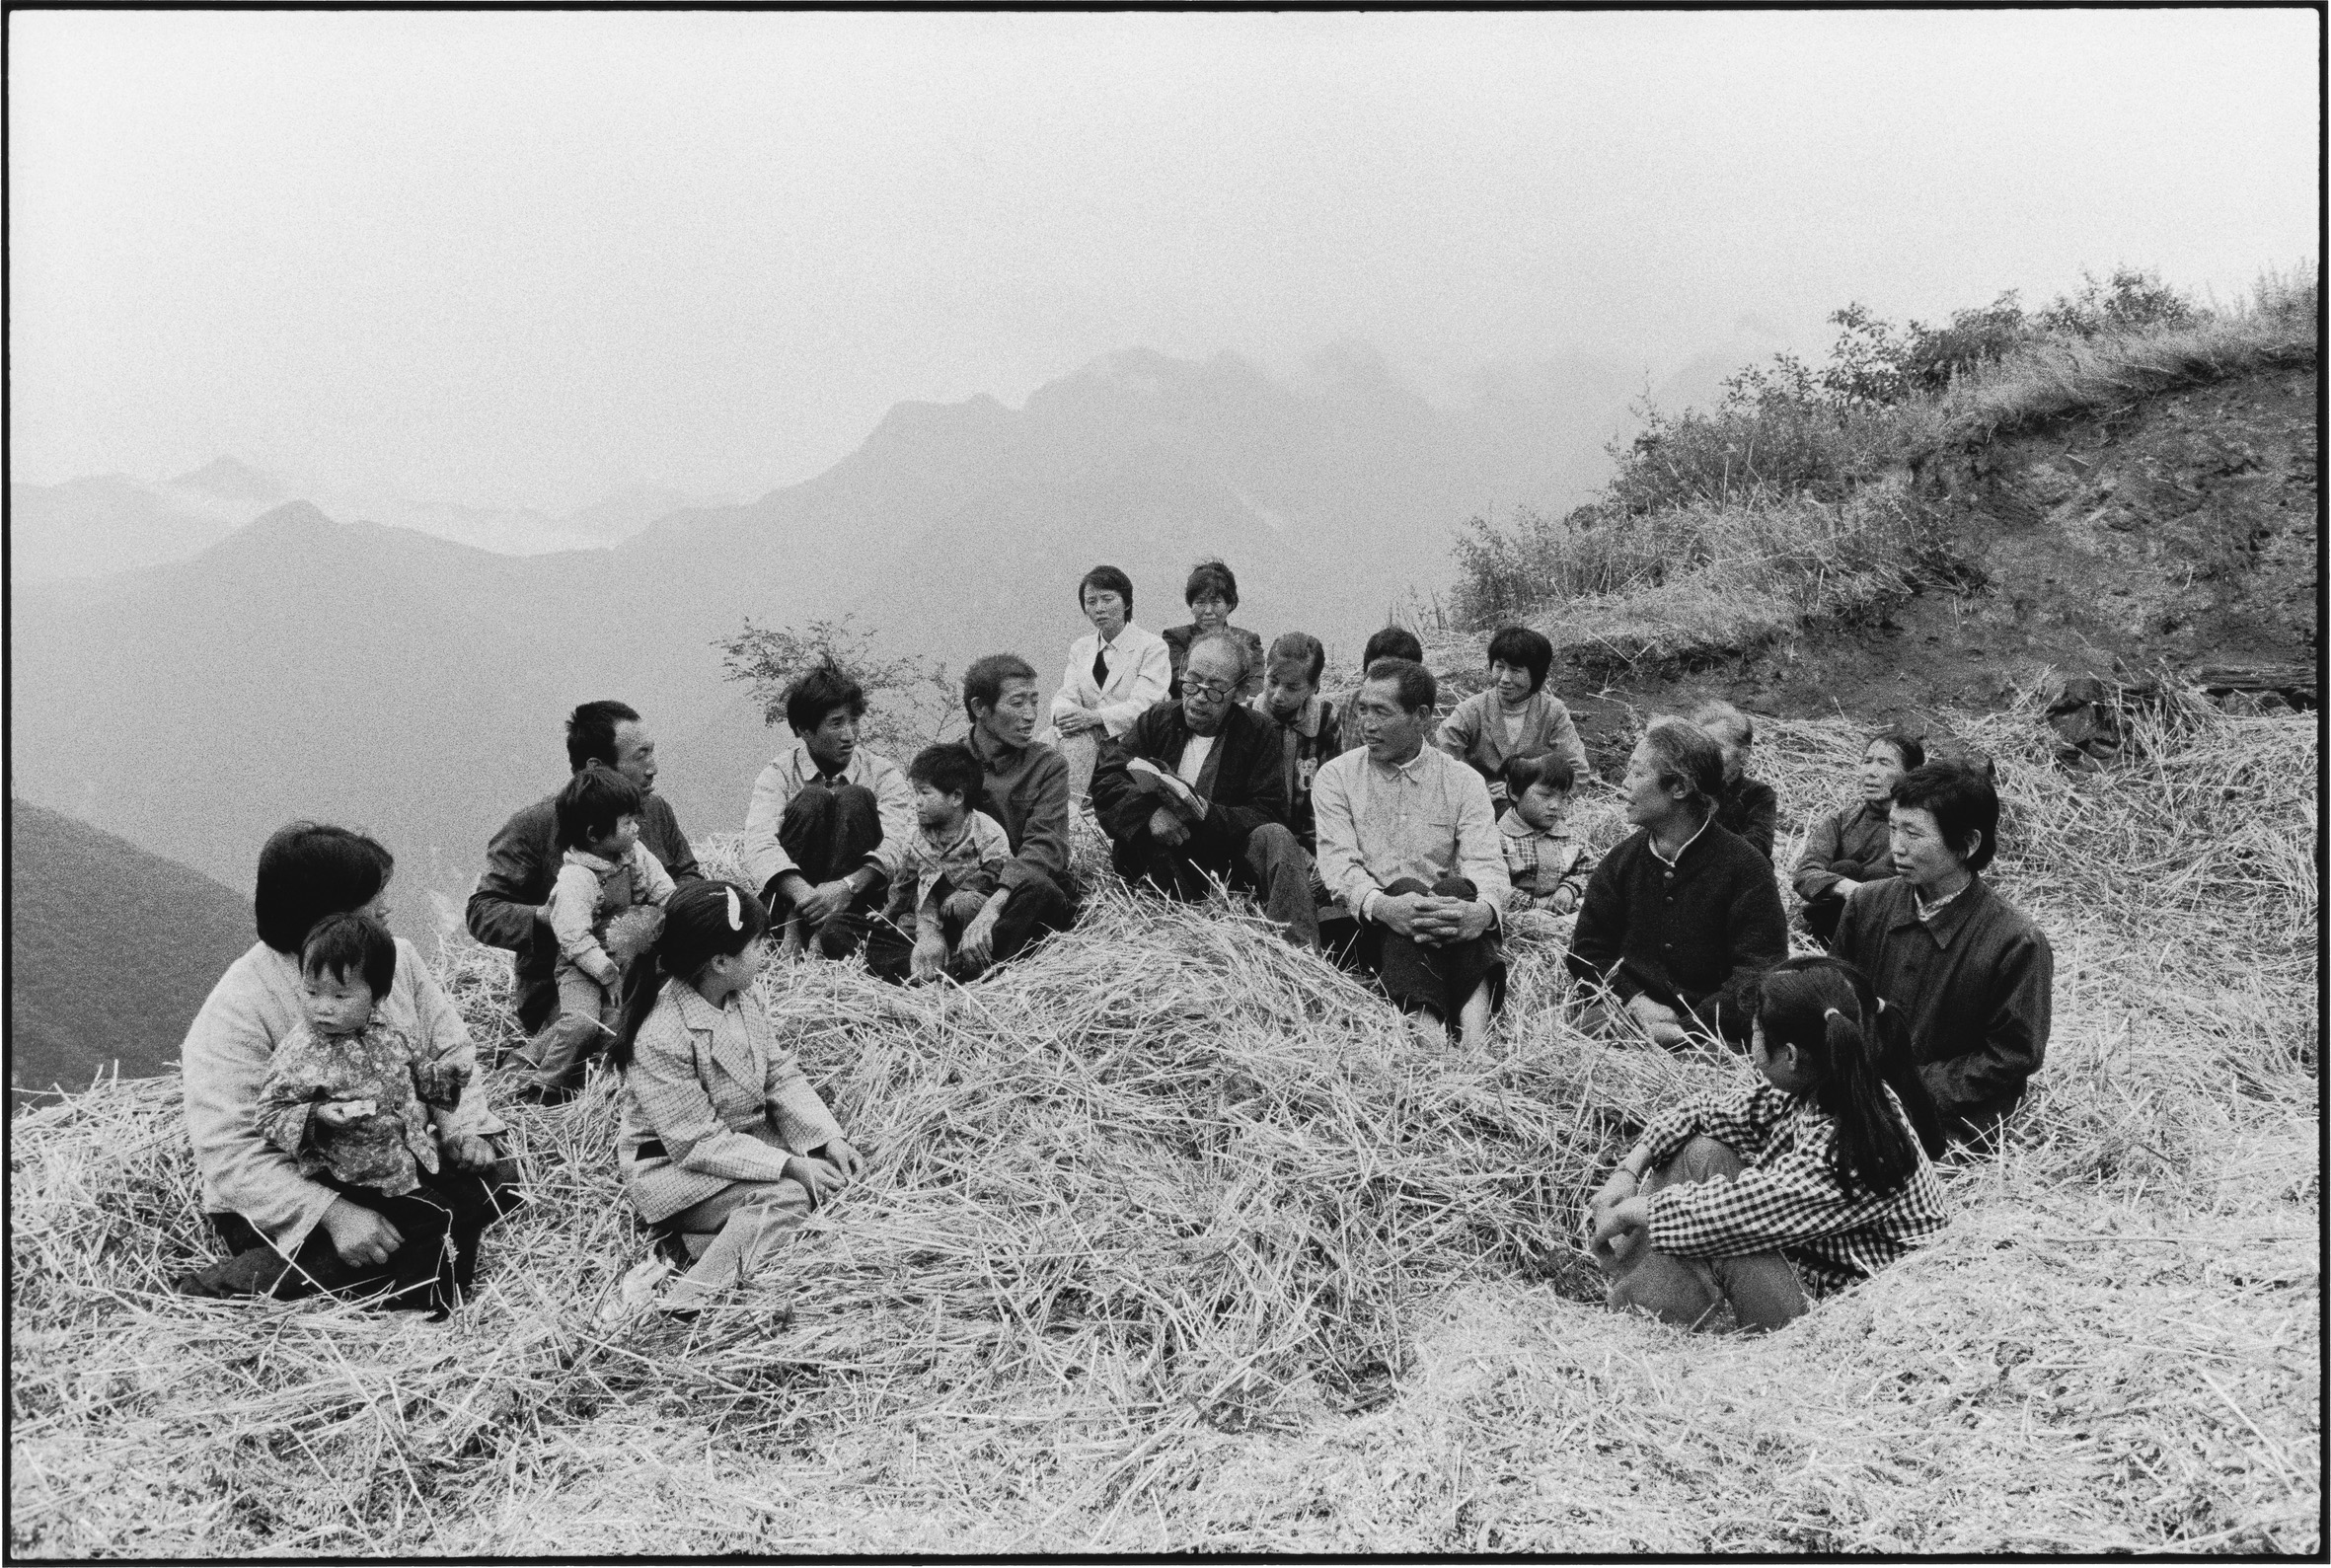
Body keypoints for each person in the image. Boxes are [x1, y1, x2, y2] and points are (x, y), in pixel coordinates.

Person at [182, 823, 518, 1307]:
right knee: (392, 1244)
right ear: (324, 912)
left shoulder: (396, 958)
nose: (386, 906)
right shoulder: (238, 1007)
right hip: (299, 1187)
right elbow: (229, 1149)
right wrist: (334, 1214)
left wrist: (462, 1128)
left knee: (500, 1185)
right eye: (371, 897)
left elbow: (447, 1054)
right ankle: (224, 1288)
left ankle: (389, 1256)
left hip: (393, 1159)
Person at [1585, 956, 1949, 1331]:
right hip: (1814, 1264)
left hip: (1847, 1316)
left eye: (1756, 1034)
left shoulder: (1858, 1148)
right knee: (1701, 1151)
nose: (1751, 1048)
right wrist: (1628, 1170)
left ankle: (1637, 1323)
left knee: (1716, 1235)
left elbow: (1725, 1216)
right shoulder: (1824, 1087)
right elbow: (1704, 1110)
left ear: (1790, 1055)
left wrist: (1628, 1212)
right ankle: (1632, 1298)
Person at [607, 881, 865, 1317]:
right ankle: (689, 1300)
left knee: (832, 1172)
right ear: (721, 961)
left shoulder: (743, 995)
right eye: (758, 944)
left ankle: (703, 1242)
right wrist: (790, 1165)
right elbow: (696, 1143)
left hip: (738, 1136)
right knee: (789, 1198)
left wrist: (826, 1139)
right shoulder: (661, 1034)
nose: (767, 951)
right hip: (674, 1166)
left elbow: (779, 1073)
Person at [254, 912, 502, 1314]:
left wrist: (448, 1079)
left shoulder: (387, 1029)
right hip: (357, 1172)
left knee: (473, 1200)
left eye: (339, 996)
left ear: (377, 996)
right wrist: (318, 1115)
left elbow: (418, 1074)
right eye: (312, 992)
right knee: (438, 1218)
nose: (322, 1008)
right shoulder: (300, 1052)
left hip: (407, 1153)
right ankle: (417, 1306)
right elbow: (269, 1115)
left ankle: (455, 1290)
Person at [468, 701, 701, 1092]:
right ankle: (528, 1075)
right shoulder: (532, 826)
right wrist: (552, 917)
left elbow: (686, 875)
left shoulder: (655, 811)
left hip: (642, 966)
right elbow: (482, 911)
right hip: (567, 982)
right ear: (595, 766)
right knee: (621, 1034)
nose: (654, 766)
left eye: (653, 751)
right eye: (641, 755)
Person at [1832, 761, 2054, 1145]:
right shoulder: (1866, 904)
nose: (1896, 847)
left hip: (1952, 1119)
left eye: (1914, 834)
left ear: (1968, 844)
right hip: (1858, 1097)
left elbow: (2012, 1056)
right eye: (1893, 828)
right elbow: (1832, 997)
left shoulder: (2017, 942)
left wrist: (1911, 1086)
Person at [1314, 657, 1511, 1043]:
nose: (1367, 724)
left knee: (1460, 893)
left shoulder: (1462, 781)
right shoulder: (1336, 777)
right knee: (1404, 887)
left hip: (1446, 927)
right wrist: (1385, 906)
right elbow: (1340, 868)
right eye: (1363, 710)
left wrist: (1482, 913)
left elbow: (1486, 862)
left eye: (1381, 713)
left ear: (1420, 717)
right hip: (1367, 927)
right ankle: (1429, 1035)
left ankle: (1475, 1042)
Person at [1565, 718, 1788, 1048]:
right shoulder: (1621, 862)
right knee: (1584, 1030)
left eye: (1638, 773)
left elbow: (1758, 973)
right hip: (1628, 1020)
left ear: (1680, 788)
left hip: (1715, 1035)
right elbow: (1588, 950)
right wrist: (1634, 999)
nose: (1624, 784)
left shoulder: (1746, 868)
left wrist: (1687, 1028)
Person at [1090, 632, 1318, 946]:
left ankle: (1299, 955)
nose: (1198, 697)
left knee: (1277, 837)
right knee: (1146, 843)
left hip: (1224, 859)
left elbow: (1268, 810)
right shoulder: (1158, 719)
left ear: (1238, 692)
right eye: (1192, 683)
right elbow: (1107, 778)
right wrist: (1149, 815)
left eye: (1215, 690)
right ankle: (1189, 939)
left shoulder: (1258, 732)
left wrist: (1206, 814)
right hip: (1160, 857)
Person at [868, 654, 1080, 978]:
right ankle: (946, 967)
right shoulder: (945, 762)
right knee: (844, 928)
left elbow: (1046, 848)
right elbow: (925, 850)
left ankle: (950, 974)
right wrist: (929, 928)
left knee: (1045, 893)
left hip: (1012, 898)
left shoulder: (1047, 765)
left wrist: (993, 907)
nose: (1030, 715)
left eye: (1034, 702)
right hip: (949, 897)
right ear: (980, 708)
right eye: (1018, 702)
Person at [739, 663, 917, 960]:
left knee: (855, 798)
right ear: (805, 731)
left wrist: (847, 887)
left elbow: (899, 841)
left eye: (854, 721)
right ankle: (794, 928)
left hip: (858, 904)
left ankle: (829, 934)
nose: (849, 734)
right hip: (796, 904)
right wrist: (804, 895)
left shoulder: (882, 773)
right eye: (836, 723)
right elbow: (759, 843)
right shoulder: (778, 774)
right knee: (812, 799)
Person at [527, 764, 679, 1100]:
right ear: (595, 834)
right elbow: (572, 938)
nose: (637, 828)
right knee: (582, 1023)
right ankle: (544, 1083)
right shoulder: (576, 879)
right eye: (628, 822)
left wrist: (682, 914)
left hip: (622, 953)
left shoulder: (632, 854)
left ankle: (603, 1076)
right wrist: (606, 973)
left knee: (621, 1019)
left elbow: (663, 890)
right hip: (582, 963)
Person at [878, 743, 1015, 983]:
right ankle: (929, 966)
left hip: (971, 910)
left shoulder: (985, 830)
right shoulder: (918, 836)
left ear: (956, 797)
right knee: (903, 925)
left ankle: (970, 961)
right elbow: (906, 881)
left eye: (924, 793)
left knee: (965, 904)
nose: (916, 802)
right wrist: (888, 913)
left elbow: (999, 869)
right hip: (933, 916)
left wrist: (966, 889)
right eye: (915, 793)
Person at [1049, 564, 1170, 800]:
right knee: (1049, 741)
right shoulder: (1081, 648)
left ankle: (1069, 809)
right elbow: (1067, 693)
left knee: (1074, 743)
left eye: (1107, 599)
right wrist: (1064, 715)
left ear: (1126, 603)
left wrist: (1094, 718)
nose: (1099, 608)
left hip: (1131, 743)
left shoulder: (1152, 646)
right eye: (1091, 601)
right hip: (1087, 740)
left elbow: (1146, 705)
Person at [1794, 728, 1924, 946]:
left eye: (1884, 763)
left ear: (1912, 774)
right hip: (1831, 927)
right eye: (1867, 761)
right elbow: (1805, 873)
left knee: (1880, 874)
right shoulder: (1840, 820)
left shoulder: (1922, 826)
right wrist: (1849, 889)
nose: (1870, 772)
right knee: (1845, 868)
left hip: (1890, 929)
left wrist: (1874, 894)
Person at [1435, 626, 1589, 811]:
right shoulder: (1471, 710)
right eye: (1499, 667)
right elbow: (1439, 761)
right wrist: (1478, 792)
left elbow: (1577, 771)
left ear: (1536, 674)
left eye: (1515, 670)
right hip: (1481, 808)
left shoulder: (1552, 712)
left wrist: (1537, 797)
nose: (1504, 678)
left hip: (1536, 811)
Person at [1251, 631, 1344, 854]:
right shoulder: (1248, 720)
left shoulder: (1326, 721)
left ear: (1314, 687)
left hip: (1312, 839)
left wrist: (1312, 846)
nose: (1277, 695)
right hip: (1260, 837)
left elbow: (1332, 792)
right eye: (1272, 681)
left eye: (1292, 688)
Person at [1496, 752, 1596, 938]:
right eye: (1545, 795)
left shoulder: (1569, 838)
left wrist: (1569, 888)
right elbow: (1496, 884)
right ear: (1514, 792)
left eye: (1563, 797)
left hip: (1563, 911)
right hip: (1521, 914)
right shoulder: (1499, 838)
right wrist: (1535, 905)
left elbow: (1589, 870)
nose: (1555, 805)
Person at [1159, 559, 1267, 704]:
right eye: (1200, 602)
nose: (1208, 611)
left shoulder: (1248, 640)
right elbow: (1180, 682)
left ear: (1230, 604)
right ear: (1191, 606)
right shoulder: (1175, 638)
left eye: (1216, 602)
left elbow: (1255, 685)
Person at [1692, 701, 1777, 863]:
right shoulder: (1688, 789)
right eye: (1702, 747)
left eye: (1717, 748)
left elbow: (1757, 846)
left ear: (1743, 754)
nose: (1707, 755)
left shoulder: (1758, 795)